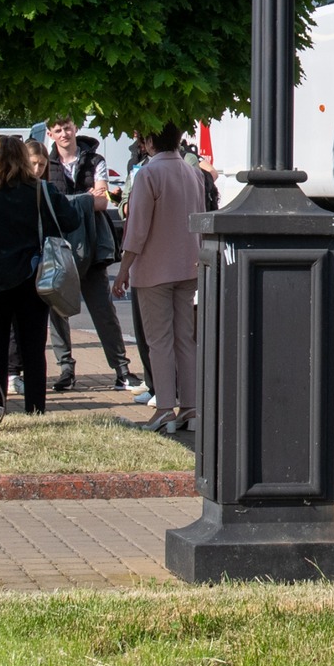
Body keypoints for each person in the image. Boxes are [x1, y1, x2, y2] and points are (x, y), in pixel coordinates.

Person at [0, 137, 77, 414]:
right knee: (33, 348)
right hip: (33, 277)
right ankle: (36, 408)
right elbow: (71, 220)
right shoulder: (42, 191)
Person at [111, 123, 206, 434]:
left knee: (159, 341)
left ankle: (165, 407)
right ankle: (191, 407)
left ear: (150, 140)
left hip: (153, 270)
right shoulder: (193, 173)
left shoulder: (148, 174)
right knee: (186, 339)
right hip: (188, 265)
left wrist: (124, 269)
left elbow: (136, 229)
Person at [39, 122, 138, 394]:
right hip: (59, 248)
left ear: (74, 128)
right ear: (50, 134)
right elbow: (49, 202)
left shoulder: (95, 159)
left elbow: (102, 201)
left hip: (93, 248)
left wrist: (67, 200)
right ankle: (66, 370)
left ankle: (122, 370)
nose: (63, 134)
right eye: (57, 130)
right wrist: (84, 198)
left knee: (103, 310)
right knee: (58, 312)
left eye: (67, 127)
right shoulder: (47, 164)